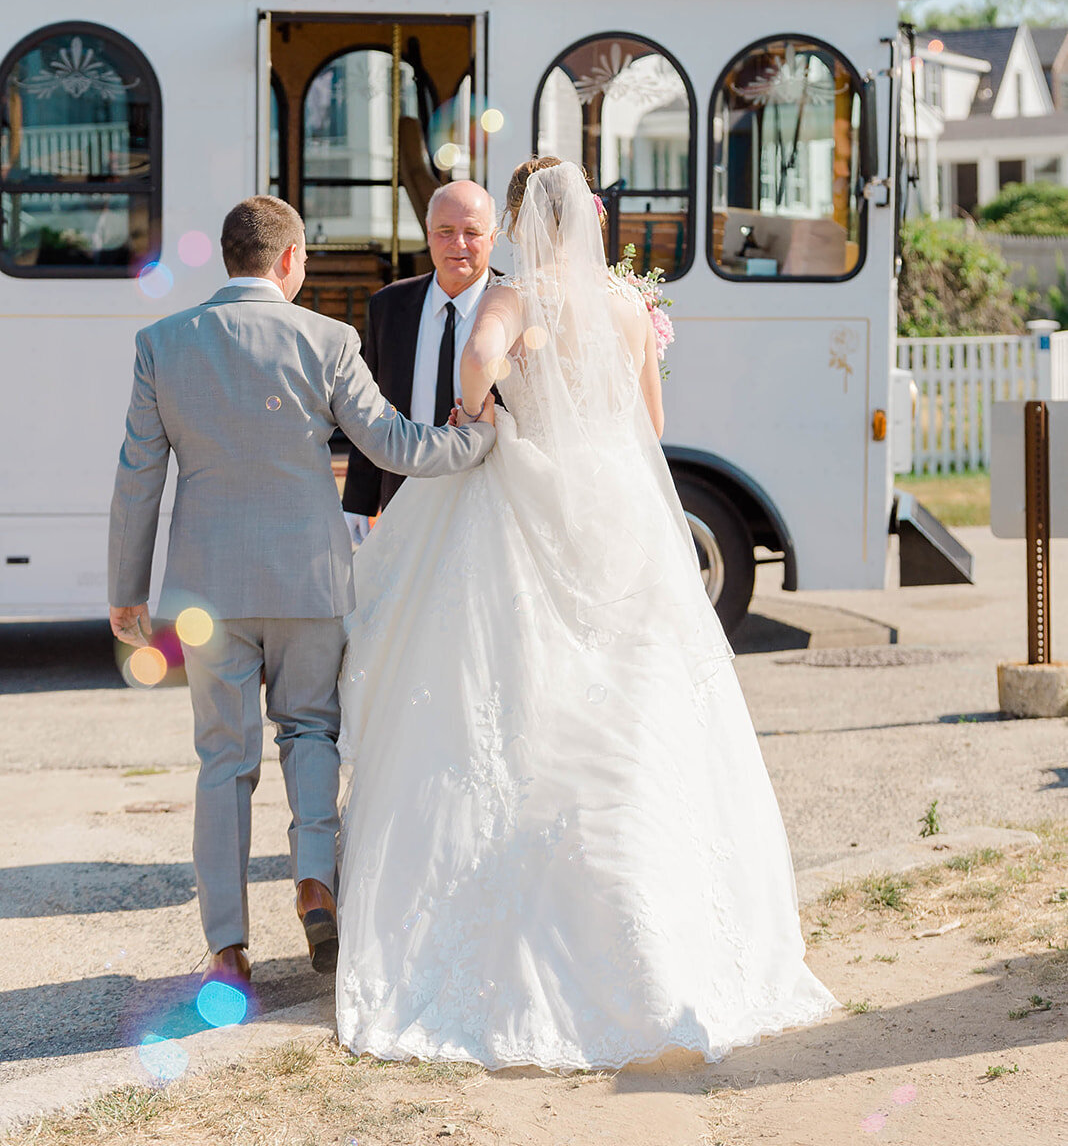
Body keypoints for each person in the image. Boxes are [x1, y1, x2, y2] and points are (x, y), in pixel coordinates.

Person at [334, 159, 836, 1071]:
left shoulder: (516, 300)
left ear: (521, 224)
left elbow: (479, 363)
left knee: (512, 694)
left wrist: (477, 404)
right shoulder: (626, 309)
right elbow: (646, 423)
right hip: (616, 505)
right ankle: (659, 922)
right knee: (633, 701)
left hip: (522, 500)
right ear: (591, 222)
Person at [107, 195, 496, 988]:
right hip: (310, 579)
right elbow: (390, 444)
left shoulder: (162, 344)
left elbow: (137, 479)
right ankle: (314, 884)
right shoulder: (328, 338)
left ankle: (226, 945)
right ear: (289, 260)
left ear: (230, 258)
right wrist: (478, 437)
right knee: (311, 733)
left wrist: (126, 590)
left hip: (204, 591)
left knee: (223, 759)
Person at [342, 180, 499, 542]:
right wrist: (358, 500)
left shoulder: (513, 306)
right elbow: (369, 409)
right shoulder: (389, 306)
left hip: (484, 502)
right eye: (445, 231)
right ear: (428, 235)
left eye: (472, 232)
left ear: (493, 237)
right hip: (404, 498)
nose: (458, 244)